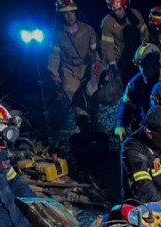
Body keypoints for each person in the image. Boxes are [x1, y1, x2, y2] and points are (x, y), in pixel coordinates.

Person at [49, 0, 101, 134]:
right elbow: (54, 55)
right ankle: (83, 124)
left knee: (91, 91)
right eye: (65, 14)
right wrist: (54, 73)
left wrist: (96, 65)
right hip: (69, 69)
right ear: (61, 15)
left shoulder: (87, 30)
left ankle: (95, 119)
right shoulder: (57, 34)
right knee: (70, 91)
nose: (69, 16)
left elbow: (95, 51)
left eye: (71, 12)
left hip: (87, 66)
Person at [115, 43, 161, 140]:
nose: (142, 70)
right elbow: (126, 103)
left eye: (144, 66)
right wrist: (120, 124)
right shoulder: (136, 83)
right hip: (150, 129)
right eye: (140, 66)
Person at [101, 0, 149, 82]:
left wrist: (146, 54)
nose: (117, 13)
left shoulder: (136, 15)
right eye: (114, 10)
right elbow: (107, 45)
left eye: (119, 9)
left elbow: (145, 36)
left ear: (125, 6)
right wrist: (112, 62)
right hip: (121, 61)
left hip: (138, 57)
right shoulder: (108, 22)